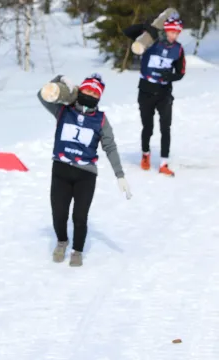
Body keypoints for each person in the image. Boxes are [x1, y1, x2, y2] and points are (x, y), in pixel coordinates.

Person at [37, 73, 132, 267]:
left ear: (98, 97)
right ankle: (62, 241)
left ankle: (77, 251)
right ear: (80, 90)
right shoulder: (63, 111)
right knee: (59, 213)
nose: (89, 93)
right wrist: (59, 80)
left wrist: (120, 176)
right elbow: (42, 94)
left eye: (93, 92)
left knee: (79, 216)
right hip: (61, 169)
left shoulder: (101, 120)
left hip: (85, 175)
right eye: (86, 89)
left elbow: (110, 147)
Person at [123, 14, 186, 177]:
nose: (173, 35)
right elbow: (127, 32)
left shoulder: (178, 49)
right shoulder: (151, 40)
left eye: (176, 33)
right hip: (146, 91)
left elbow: (181, 72)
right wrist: (144, 27)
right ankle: (145, 154)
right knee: (148, 127)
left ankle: (164, 163)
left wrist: (170, 76)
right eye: (171, 32)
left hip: (164, 93)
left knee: (166, 128)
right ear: (165, 30)